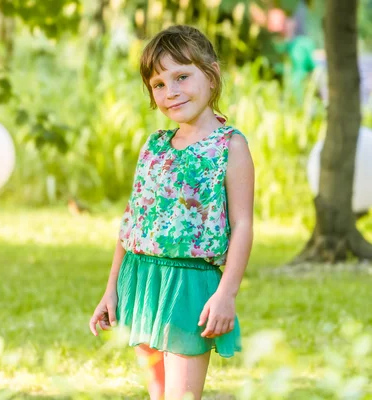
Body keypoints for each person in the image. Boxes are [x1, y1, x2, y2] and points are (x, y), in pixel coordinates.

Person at [89, 25, 255, 400]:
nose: (171, 91)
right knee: (158, 394)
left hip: (189, 284)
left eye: (181, 76)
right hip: (142, 278)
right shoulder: (154, 146)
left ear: (211, 76)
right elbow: (132, 220)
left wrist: (227, 292)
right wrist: (111, 289)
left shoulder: (229, 146)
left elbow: (243, 225)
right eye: (159, 84)